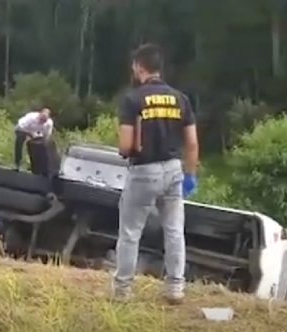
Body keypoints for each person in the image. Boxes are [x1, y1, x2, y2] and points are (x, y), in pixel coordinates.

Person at [113, 43, 199, 305]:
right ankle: (175, 288)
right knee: (174, 231)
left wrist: (124, 149)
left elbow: (127, 146)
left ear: (139, 67)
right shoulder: (180, 98)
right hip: (173, 171)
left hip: (143, 172)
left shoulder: (132, 99)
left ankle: (123, 291)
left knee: (130, 233)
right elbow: (192, 143)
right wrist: (190, 175)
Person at [13, 107, 53, 172]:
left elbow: (47, 135)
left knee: (40, 146)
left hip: (35, 132)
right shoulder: (31, 117)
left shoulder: (49, 123)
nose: (42, 122)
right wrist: (31, 134)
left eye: (44, 121)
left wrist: (43, 142)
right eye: (41, 120)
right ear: (39, 115)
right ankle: (18, 163)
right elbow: (21, 126)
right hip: (22, 129)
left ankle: (36, 165)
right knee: (20, 141)